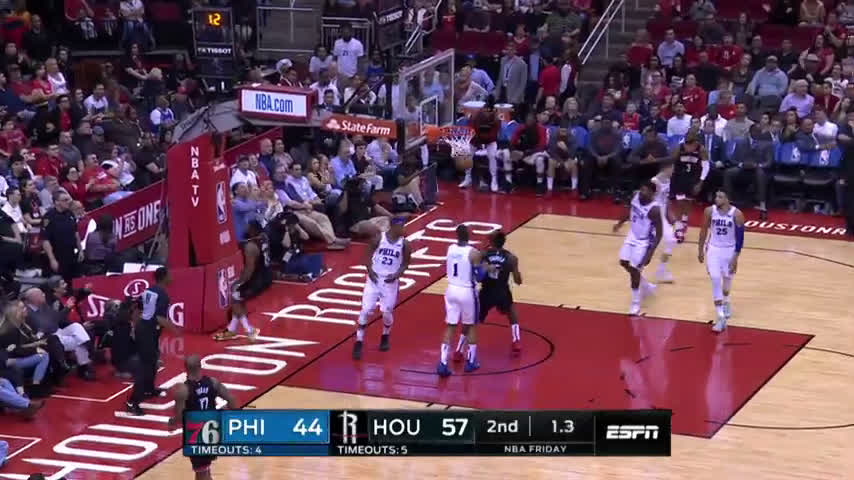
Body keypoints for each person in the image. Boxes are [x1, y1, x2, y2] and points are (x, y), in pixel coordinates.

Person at [168, 355, 237, 480]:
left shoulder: (183, 390)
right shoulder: (213, 382)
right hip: (213, 431)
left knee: (201, 473)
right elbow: (232, 401)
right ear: (200, 366)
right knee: (205, 470)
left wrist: (172, 423)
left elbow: (179, 417)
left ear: (186, 369)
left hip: (196, 434)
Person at [352, 217, 411, 360]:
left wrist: (397, 274)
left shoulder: (405, 244)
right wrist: (370, 271)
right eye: (401, 226)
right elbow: (367, 256)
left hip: (390, 282)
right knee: (366, 309)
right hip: (374, 279)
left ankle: (385, 335)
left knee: (387, 311)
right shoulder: (379, 239)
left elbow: (405, 264)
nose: (404, 229)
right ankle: (359, 341)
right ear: (394, 227)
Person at [127, 267, 179, 415]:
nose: (172, 277)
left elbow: (136, 308)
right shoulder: (163, 295)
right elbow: (160, 318)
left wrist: (134, 326)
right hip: (147, 333)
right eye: (170, 275)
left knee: (152, 361)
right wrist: (176, 331)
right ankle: (132, 401)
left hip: (145, 330)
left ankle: (148, 390)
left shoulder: (148, 290)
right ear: (164, 277)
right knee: (145, 366)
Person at [437, 225, 487, 376]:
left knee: (450, 326)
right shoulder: (473, 252)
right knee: (471, 326)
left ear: (456, 235)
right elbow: (480, 277)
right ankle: (471, 361)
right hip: (466, 291)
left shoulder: (450, 249)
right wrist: (485, 267)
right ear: (469, 235)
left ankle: (442, 363)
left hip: (451, 289)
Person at [213, 220, 272, 342]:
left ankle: (249, 330)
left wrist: (239, 282)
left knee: (235, 296)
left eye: (248, 227)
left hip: (256, 280)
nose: (246, 229)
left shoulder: (250, 247)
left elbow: (249, 269)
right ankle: (232, 329)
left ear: (253, 230)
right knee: (239, 300)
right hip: (266, 276)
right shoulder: (264, 237)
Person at [612, 181, 664, 315]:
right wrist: (619, 223)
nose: (642, 192)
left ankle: (635, 304)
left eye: (645, 191)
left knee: (635, 269)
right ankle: (645, 286)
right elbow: (628, 211)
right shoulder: (635, 196)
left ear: (652, 194)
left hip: (643, 241)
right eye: (641, 189)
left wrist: (650, 253)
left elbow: (659, 234)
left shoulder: (654, 209)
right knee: (623, 262)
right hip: (632, 235)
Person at [468, 231, 523, 355]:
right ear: (503, 242)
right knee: (511, 311)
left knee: (473, 320)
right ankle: (516, 340)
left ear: (491, 242)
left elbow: (477, 277)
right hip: (502, 291)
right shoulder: (511, 258)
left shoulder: (482, 254)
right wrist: (515, 271)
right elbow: (518, 281)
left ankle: (459, 350)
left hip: (486, 291)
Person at [697, 190, 745, 332]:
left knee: (726, 282)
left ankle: (727, 301)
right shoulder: (709, 211)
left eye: (720, 197)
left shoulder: (737, 214)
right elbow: (703, 231)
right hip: (713, 249)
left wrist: (736, 257)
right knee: (715, 279)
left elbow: (740, 239)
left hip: (729, 250)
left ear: (727, 199)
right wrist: (700, 250)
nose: (716, 199)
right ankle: (720, 317)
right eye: (716, 196)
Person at [670, 128, 709, 242]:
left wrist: (700, 182)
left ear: (696, 141)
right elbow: (671, 162)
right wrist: (669, 177)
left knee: (688, 202)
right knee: (679, 203)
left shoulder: (701, 149)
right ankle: (678, 229)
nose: (689, 146)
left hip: (693, 179)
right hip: (679, 178)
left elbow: (706, 167)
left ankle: (684, 221)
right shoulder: (679, 148)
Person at [651, 162, 678, 282]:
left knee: (671, 241)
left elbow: (666, 200)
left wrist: (670, 214)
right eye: (672, 168)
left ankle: (661, 271)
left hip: (661, 216)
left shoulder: (668, 180)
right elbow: (646, 200)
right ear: (666, 168)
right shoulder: (655, 181)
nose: (673, 171)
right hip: (653, 216)